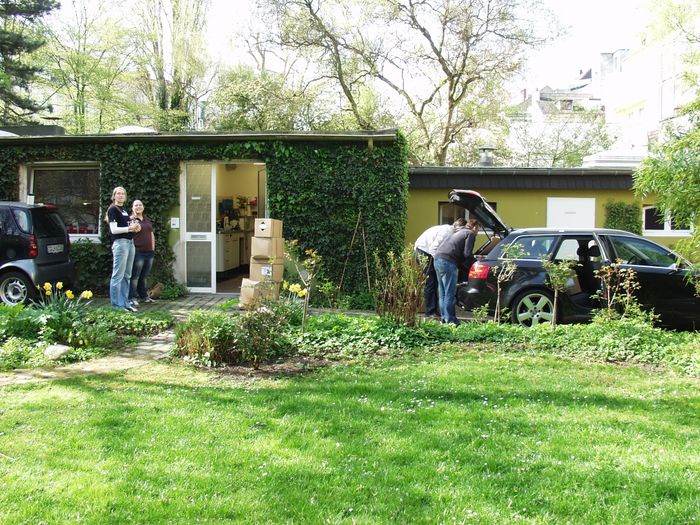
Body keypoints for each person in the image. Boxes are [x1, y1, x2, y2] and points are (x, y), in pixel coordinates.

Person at [414, 218, 466, 318]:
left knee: (437, 282)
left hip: (428, 251)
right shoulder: (446, 232)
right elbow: (433, 248)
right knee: (431, 281)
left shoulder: (451, 232)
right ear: (458, 228)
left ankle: (435, 310)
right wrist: (439, 261)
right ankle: (430, 311)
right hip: (423, 251)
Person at [433, 219, 480, 325]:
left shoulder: (456, 231)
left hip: (437, 259)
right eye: (478, 230)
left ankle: (445, 319)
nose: (477, 233)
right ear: (474, 228)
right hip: (448, 262)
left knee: (443, 293)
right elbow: (467, 254)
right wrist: (476, 263)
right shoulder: (470, 233)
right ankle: (451, 321)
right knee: (450, 293)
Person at [106, 187, 140, 312]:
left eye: (123, 193)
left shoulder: (124, 210)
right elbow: (114, 230)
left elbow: (125, 225)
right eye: (118, 193)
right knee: (118, 276)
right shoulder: (112, 209)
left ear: (125, 196)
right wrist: (130, 229)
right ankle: (116, 305)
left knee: (127, 275)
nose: (120, 195)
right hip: (120, 244)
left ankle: (125, 303)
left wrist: (134, 227)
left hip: (130, 243)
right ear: (114, 196)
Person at [129, 199, 156, 306]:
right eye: (136, 205)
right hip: (137, 251)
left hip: (149, 252)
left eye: (140, 205)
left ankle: (144, 297)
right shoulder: (131, 219)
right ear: (132, 208)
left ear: (143, 207)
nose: (138, 207)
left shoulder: (146, 219)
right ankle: (131, 297)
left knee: (144, 276)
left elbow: (151, 234)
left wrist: (153, 248)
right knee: (135, 276)